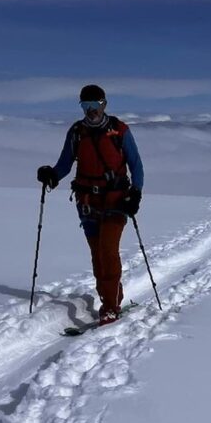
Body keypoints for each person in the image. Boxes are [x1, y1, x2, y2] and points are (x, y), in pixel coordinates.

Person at [37, 84, 144, 326]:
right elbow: (64, 164)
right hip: (87, 201)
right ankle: (109, 296)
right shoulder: (77, 132)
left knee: (108, 250)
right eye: (86, 106)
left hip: (117, 199)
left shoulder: (119, 130)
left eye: (95, 105)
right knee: (97, 253)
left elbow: (136, 165)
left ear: (104, 104)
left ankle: (110, 306)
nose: (91, 111)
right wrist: (51, 174)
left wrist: (135, 193)